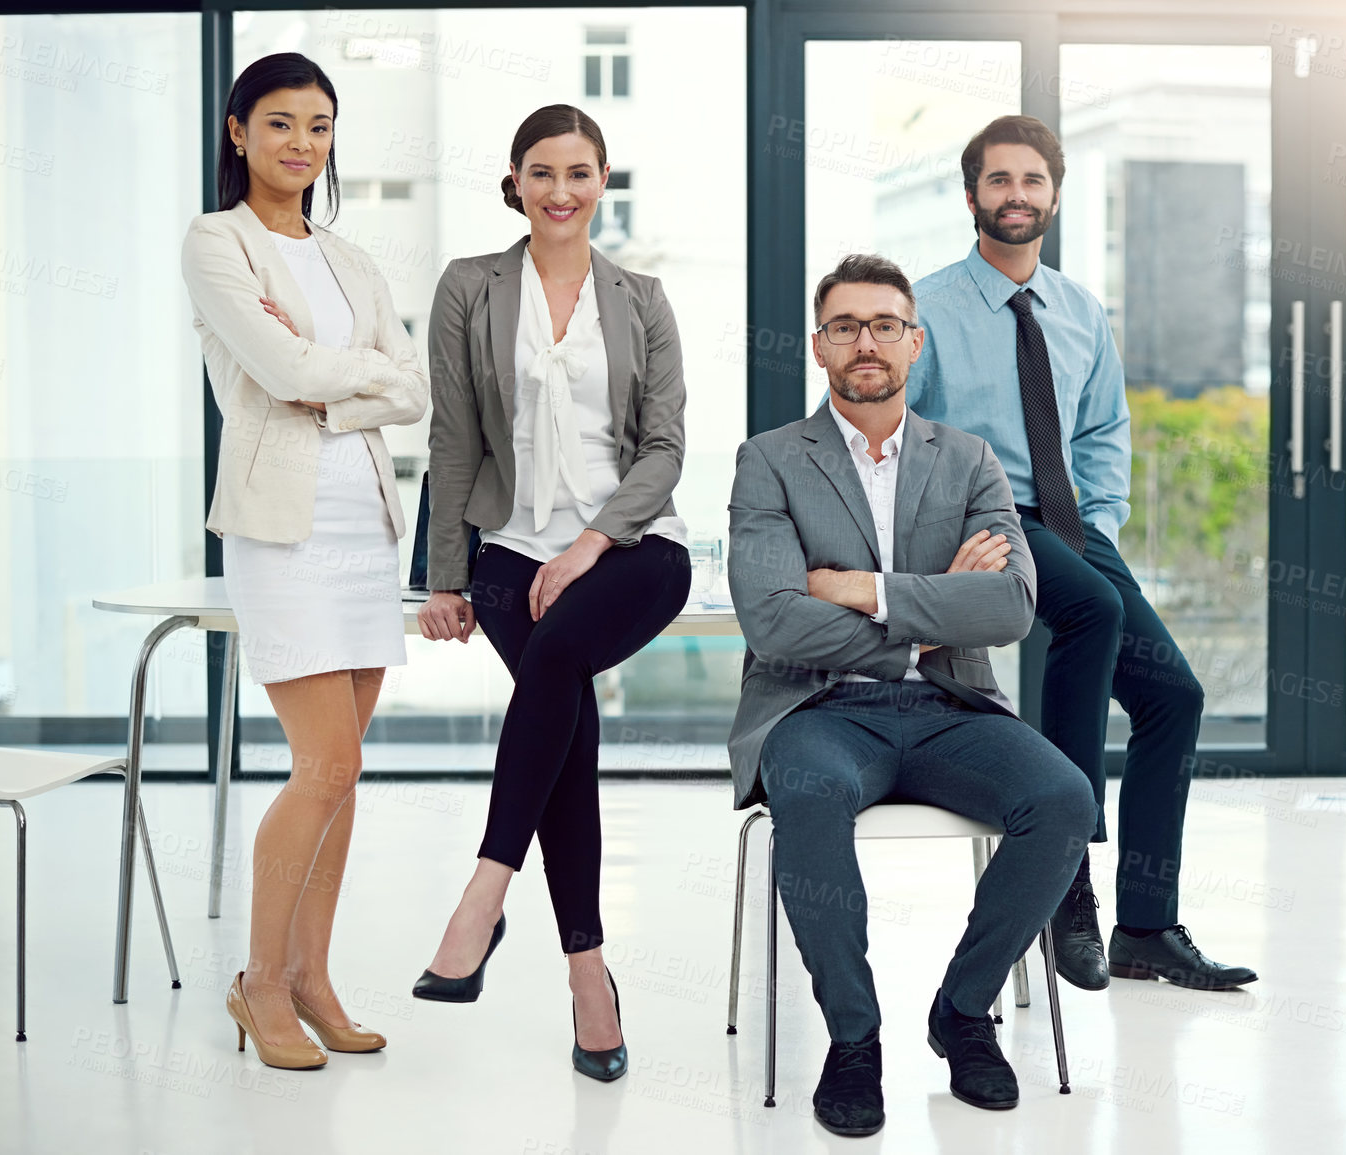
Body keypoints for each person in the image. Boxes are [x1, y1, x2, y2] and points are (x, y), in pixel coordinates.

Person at [727, 253, 1096, 1136]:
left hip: (949, 707)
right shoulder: (769, 461)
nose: (867, 342)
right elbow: (773, 621)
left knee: (1063, 798)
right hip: (812, 709)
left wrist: (863, 588)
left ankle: (963, 1012)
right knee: (808, 795)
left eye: (884, 324)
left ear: (913, 342)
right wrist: (932, 614)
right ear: (819, 347)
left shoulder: (969, 461)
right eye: (846, 326)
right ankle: (854, 1039)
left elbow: (1008, 606)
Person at [907, 114, 1257, 993]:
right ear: (971, 195)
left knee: (1174, 695)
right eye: (998, 180)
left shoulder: (1077, 310)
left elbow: (1103, 427)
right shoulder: (928, 308)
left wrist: (1096, 521)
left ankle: (1145, 925)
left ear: (1053, 196)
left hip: (1070, 526)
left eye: (1031, 180)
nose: (1015, 195)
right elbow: (899, 436)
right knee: (1091, 611)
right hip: (980, 521)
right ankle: (1066, 888)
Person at [413, 104, 691, 1083]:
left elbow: (664, 448)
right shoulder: (470, 287)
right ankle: (590, 981)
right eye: (542, 172)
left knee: (560, 657)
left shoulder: (642, 297)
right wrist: (444, 578)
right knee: (564, 707)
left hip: (635, 546)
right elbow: (453, 439)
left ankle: (485, 891)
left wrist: (588, 546)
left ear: (602, 182)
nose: (560, 191)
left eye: (579, 173)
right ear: (517, 181)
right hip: (507, 552)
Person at [181, 53, 426, 1070]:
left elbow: (409, 389)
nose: (301, 145)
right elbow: (274, 369)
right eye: (279, 124)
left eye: (319, 126)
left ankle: (315, 978)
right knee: (323, 763)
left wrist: (333, 381)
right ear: (238, 132)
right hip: (280, 529)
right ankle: (261, 985)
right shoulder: (216, 243)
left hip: (363, 525)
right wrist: (338, 375)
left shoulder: (349, 259)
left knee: (344, 775)